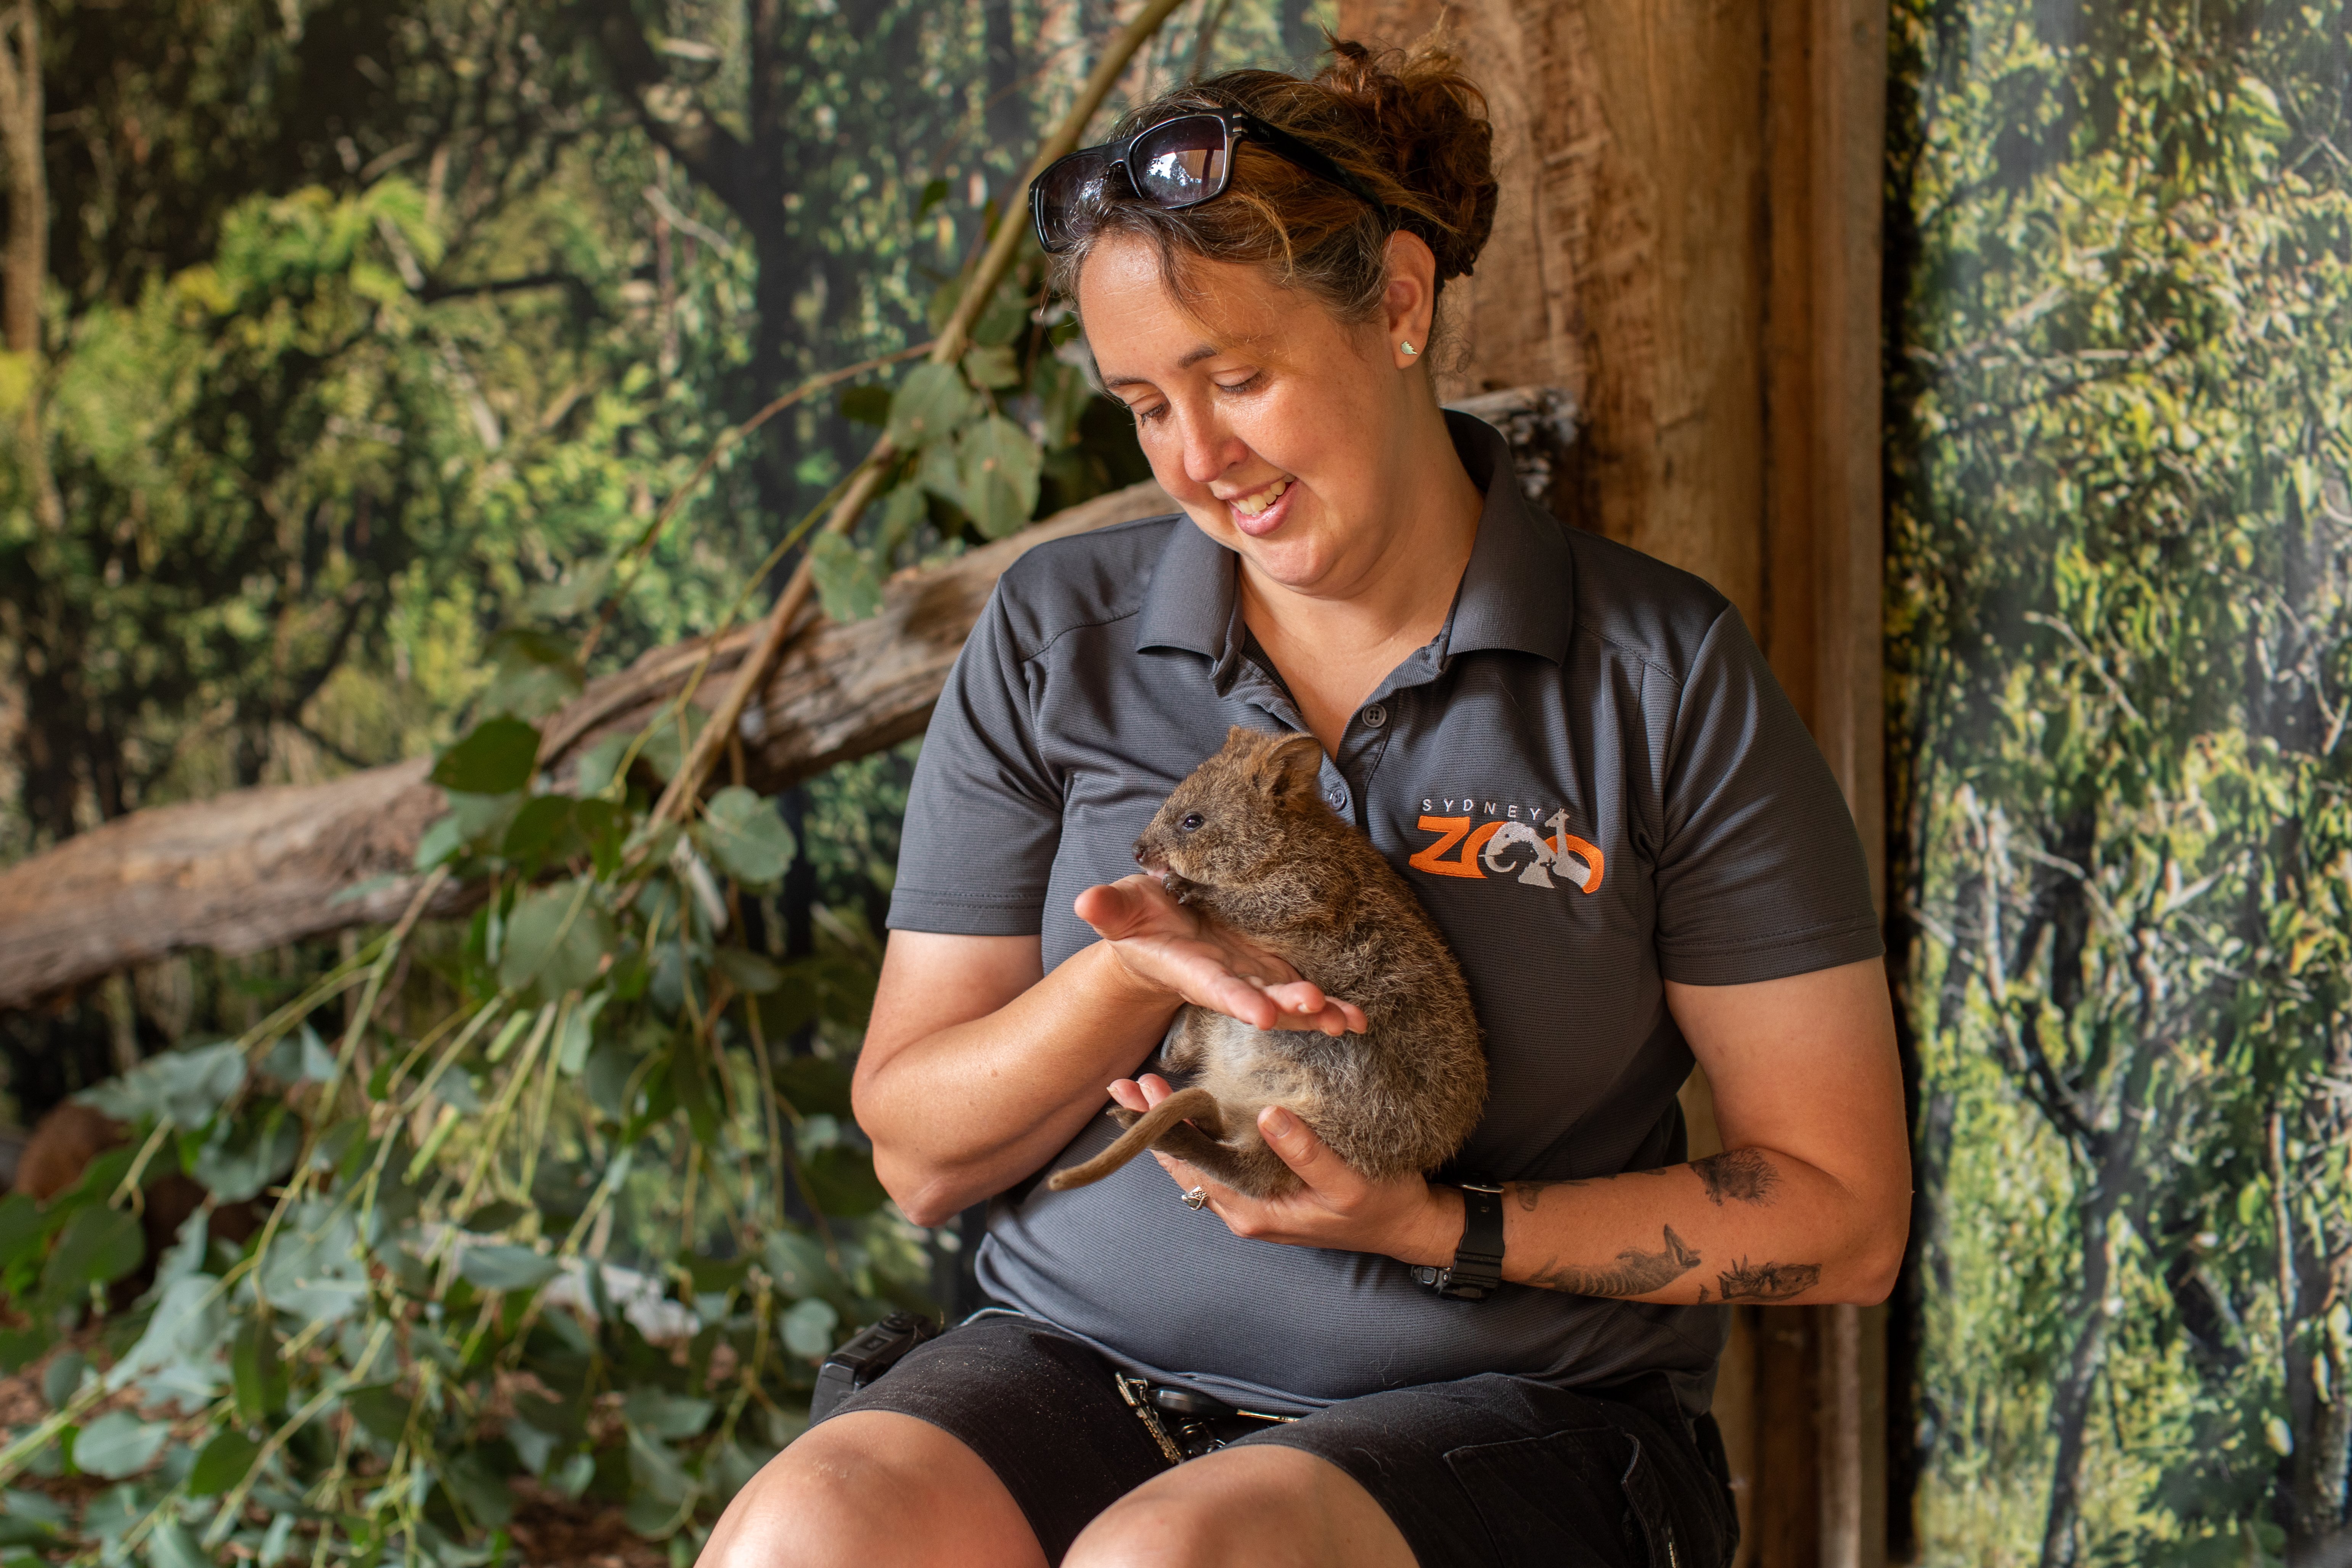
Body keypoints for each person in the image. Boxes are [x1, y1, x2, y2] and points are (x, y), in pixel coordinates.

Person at [702, 37, 1909, 1568]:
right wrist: (1140, 968)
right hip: (1081, 1362)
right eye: (1145, 404)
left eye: (1241, 377)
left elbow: (1846, 1216)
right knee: (806, 1530)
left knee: (1178, 1558)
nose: (1199, 460)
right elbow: (919, 1150)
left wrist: (1445, 1229)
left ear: (1400, 304)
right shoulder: (1055, 637)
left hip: (1512, 1408)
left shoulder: (1661, 679)